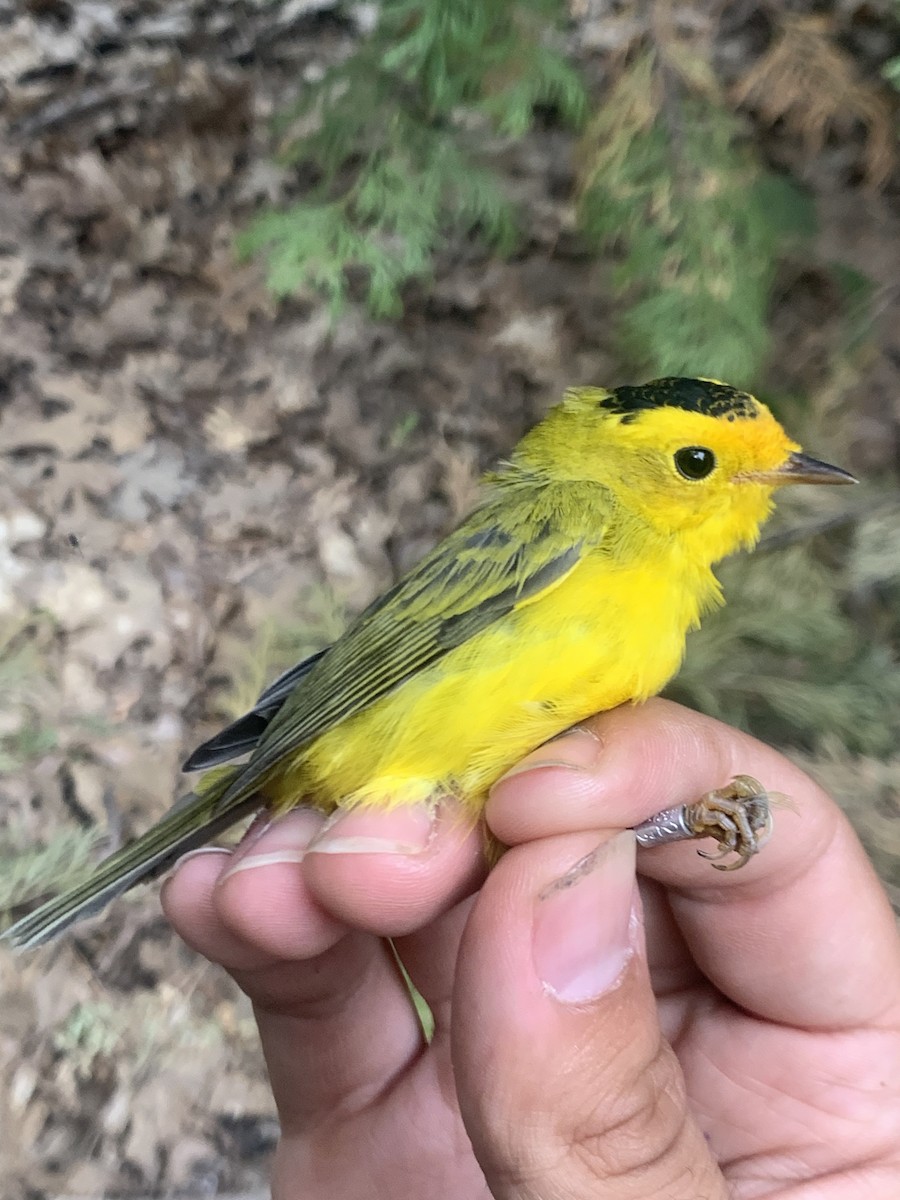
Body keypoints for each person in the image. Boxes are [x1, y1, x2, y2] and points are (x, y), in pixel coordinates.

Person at [162, 698, 900, 1199]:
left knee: (536, 825)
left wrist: (675, 822)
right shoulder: (579, 538)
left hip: (474, 816)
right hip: (384, 748)